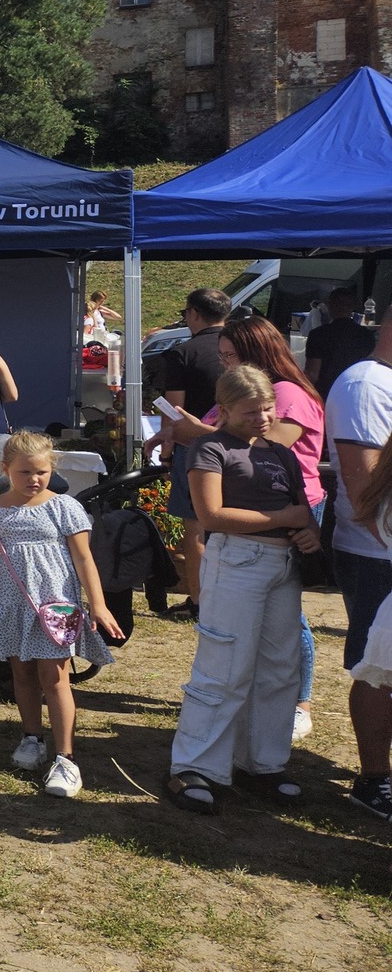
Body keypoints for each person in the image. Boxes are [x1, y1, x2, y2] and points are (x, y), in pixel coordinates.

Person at [164, 366, 317, 814]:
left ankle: (263, 762)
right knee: (224, 666)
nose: (263, 418)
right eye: (251, 411)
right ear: (225, 409)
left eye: (268, 408)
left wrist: (309, 532)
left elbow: (301, 507)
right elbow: (211, 515)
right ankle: (193, 767)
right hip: (236, 562)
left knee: (279, 668)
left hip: (283, 566)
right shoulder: (210, 447)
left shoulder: (279, 452)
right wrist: (286, 520)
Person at [169, 316, 326, 743]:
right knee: (248, 637)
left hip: (286, 511)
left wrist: (197, 434)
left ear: (257, 353)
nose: (224, 363)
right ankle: (252, 726)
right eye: (221, 357)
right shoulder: (243, 394)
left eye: (231, 355)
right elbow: (226, 448)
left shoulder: (286, 394)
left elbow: (267, 449)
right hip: (251, 524)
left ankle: (299, 704)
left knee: (287, 625)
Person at [0, 430, 119, 798]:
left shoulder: (64, 507)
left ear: (51, 469)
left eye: (41, 472)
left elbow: (84, 558)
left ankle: (66, 758)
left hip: (52, 607)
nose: (34, 479)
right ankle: (32, 737)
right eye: (24, 472)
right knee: (22, 674)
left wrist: (98, 604)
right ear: (5, 470)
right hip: (9, 604)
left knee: (55, 678)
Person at [326, 314, 392, 821]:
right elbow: (363, 488)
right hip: (377, 555)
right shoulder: (366, 384)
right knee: (378, 670)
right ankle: (374, 779)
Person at [151, 288, 232, 605]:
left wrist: (166, 453)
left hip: (195, 447)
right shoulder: (240, 348)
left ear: (194, 314)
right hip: (238, 445)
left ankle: (199, 601)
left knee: (195, 527)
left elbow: (174, 411)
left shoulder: (182, 352)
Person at [306, 287, 375, 400]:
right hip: (356, 394)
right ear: (353, 306)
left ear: (329, 306)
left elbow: (312, 374)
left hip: (325, 396)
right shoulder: (367, 336)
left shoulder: (318, 335)